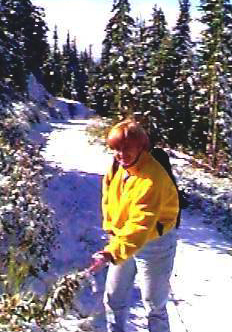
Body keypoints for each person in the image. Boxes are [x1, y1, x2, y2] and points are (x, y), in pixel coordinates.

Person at [90, 119, 179, 332]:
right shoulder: (118, 167)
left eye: (127, 149)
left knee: (154, 303)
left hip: (155, 243)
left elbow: (141, 224)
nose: (121, 154)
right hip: (123, 239)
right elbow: (109, 198)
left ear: (141, 147)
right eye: (116, 149)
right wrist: (112, 230)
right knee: (114, 297)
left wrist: (112, 252)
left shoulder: (152, 178)